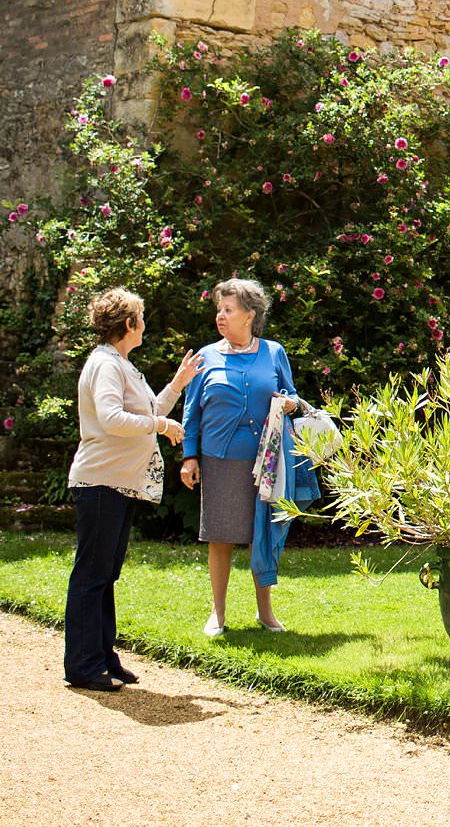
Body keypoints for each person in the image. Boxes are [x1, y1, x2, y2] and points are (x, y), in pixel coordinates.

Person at [65, 287, 200, 691]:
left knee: (105, 574)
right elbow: (111, 418)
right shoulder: (105, 365)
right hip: (100, 482)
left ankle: (103, 657)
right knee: (92, 575)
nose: (145, 324)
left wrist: (178, 383)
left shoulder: (121, 364)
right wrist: (161, 427)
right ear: (129, 324)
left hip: (118, 484)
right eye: (141, 317)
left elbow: (148, 411)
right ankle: (83, 666)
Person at [180, 276, 300, 636]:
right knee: (220, 535)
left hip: (266, 460)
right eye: (219, 309)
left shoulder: (274, 352)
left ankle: (266, 613)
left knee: (261, 534)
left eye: (228, 310)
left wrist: (290, 403)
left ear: (249, 315)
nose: (221, 316)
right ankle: (218, 613)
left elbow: (291, 397)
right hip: (220, 458)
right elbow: (191, 413)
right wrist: (190, 457)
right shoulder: (206, 356)